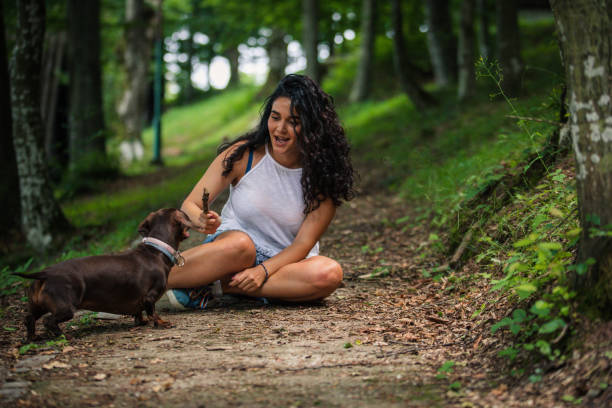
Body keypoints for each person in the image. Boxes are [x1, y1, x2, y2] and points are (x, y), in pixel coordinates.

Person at [164, 74, 355, 309]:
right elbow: (190, 205)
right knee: (241, 247)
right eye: (275, 118)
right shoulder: (244, 155)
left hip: (286, 264)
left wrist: (262, 271)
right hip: (232, 252)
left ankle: (218, 285)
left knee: (328, 273)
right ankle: (140, 279)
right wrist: (200, 220)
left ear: (312, 127)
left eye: (293, 121)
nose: (280, 129)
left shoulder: (323, 175)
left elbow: (302, 245)